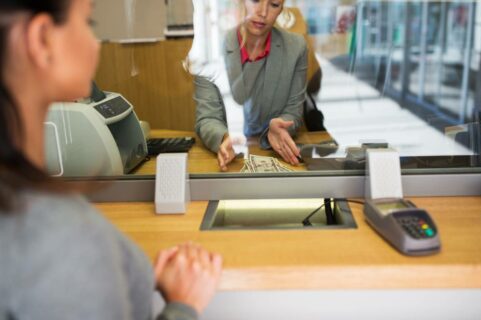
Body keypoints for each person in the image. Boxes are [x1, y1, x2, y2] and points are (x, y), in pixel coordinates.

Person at [0, 1, 222, 319]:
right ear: (42, 39)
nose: (96, 43)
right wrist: (182, 306)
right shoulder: (64, 243)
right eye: (89, 23)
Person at [194, 0, 308, 171]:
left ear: (281, 9)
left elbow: (293, 111)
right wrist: (224, 137)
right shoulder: (210, 49)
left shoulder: (296, 47)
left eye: (274, 4)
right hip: (231, 160)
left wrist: (280, 126)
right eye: (255, 0)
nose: (262, 12)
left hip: (272, 155)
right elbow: (207, 117)